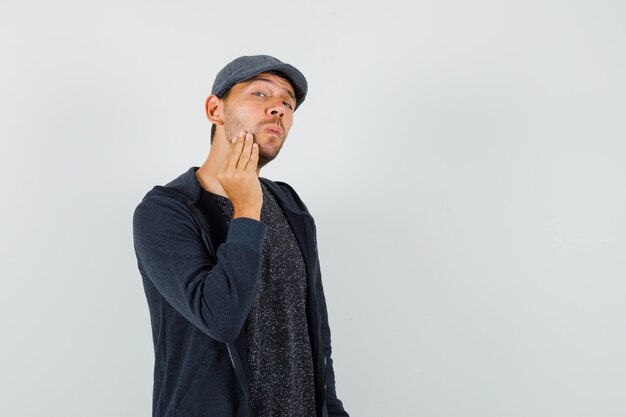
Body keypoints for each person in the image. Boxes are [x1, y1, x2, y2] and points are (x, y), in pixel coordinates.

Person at [132, 55, 350, 417]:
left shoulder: (290, 204)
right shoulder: (166, 211)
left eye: (287, 102)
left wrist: (333, 409)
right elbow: (219, 317)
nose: (277, 109)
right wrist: (247, 209)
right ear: (215, 109)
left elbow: (316, 335)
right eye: (260, 93)